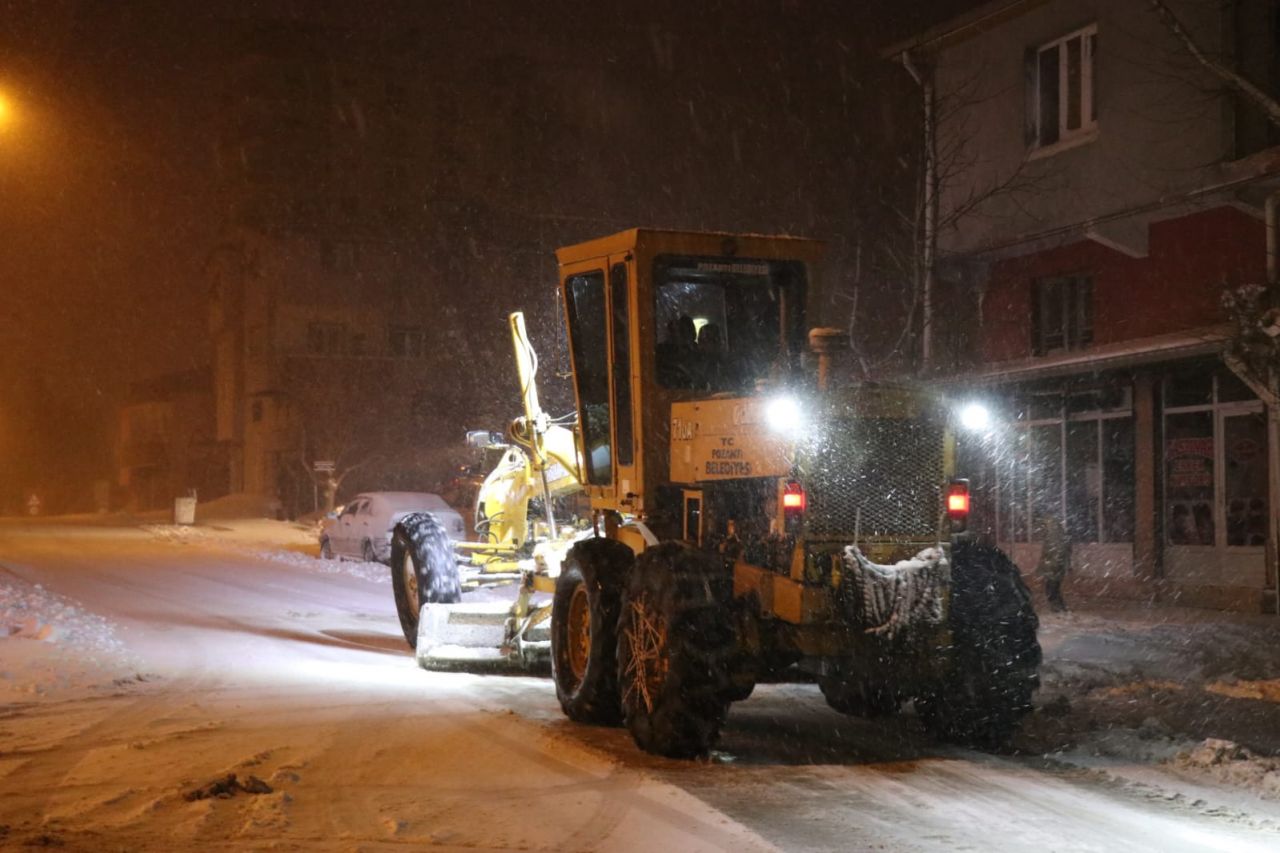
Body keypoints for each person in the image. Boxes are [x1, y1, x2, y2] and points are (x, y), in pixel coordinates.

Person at [1035, 513, 1070, 612]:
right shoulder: (1054, 533)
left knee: (1051, 588)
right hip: (1054, 567)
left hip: (1054, 567)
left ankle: (1058, 608)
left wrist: (1053, 566)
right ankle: (1060, 607)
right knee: (1053, 588)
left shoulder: (1053, 535)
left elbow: (1056, 552)